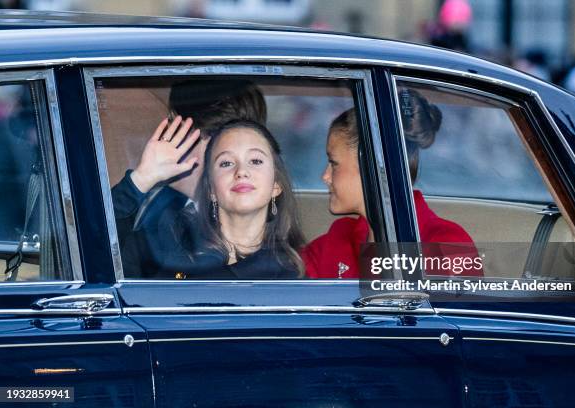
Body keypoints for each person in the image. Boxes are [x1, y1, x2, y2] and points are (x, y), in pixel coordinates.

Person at [302, 90, 482, 278]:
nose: (325, 176)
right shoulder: (338, 237)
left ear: (371, 166)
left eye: (334, 163)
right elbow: (287, 274)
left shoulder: (446, 245)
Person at [111, 79, 267, 278]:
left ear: (212, 141)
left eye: (172, 122)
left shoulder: (243, 227)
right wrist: (140, 180)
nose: (163, 135)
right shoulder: (162, 205)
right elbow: (96, 255)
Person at [114, 117, 304, 279]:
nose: (242, 172)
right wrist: (140, 179)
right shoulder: (168, 239)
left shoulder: (290, 274)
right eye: (226, 163)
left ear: (276, 185)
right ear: (211, 188)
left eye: (255, 161)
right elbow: (97, 255)